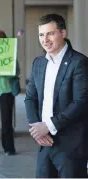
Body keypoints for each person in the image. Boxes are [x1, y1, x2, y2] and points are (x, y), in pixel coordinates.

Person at [24, 13, 88, 178]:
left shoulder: (79, 62)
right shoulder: (39, 63)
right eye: (41, 34)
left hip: (70, 145)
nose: (45, 39)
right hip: (44, 143)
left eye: (50, 33)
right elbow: (30, 98)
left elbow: (81, 102)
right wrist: (36, 128)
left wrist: (49, 126)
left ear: (63, 33)